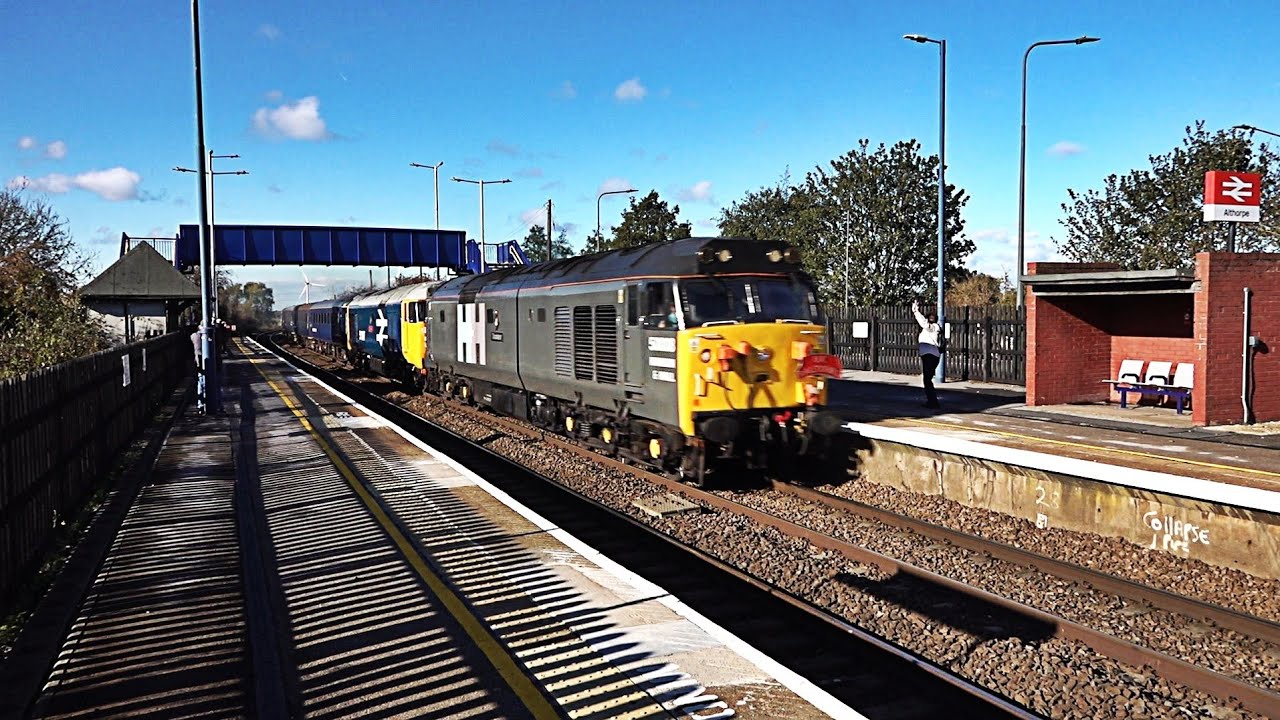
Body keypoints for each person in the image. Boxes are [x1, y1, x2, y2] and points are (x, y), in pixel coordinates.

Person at [911, 300, 942, 409]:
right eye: (930, 316)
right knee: (927, 379)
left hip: (930, 355)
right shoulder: (930, 329)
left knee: (927, 379)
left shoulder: (934, 327)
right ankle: (932, 401)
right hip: (929, 355)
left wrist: (916, 312)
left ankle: (933, 402)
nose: (932, 318)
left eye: (933, 317)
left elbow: (924, 323)